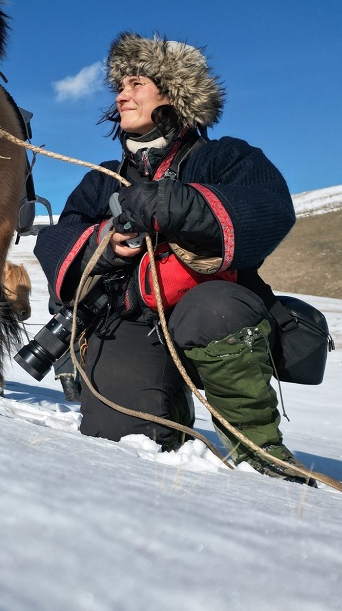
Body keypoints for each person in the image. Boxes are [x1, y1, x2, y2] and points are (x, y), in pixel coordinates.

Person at [34, 31, 312, 484]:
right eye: (119, 86)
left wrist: (176, 204)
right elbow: (56, 239)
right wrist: (102, 241)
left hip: (209, 313)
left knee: (215, 306)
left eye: (135, 83)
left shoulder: (227, 158)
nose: (122, 95)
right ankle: (170, 421)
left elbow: (271, 208)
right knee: (118, 440)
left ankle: (260, 449)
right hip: (130, 320)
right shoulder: (103, 180)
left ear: (174, 92)